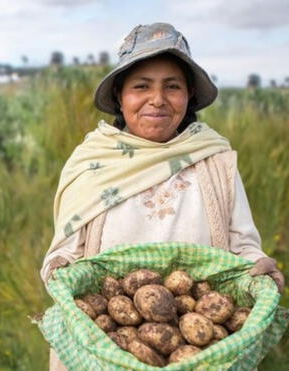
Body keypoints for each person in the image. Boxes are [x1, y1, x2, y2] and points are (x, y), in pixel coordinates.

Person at [39, 22, 285, 371]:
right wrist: (60, 269)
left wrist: (258, 269)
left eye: (172, 86)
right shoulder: (92, 162)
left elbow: (242, 247)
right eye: (142, 86)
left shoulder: (215, 159)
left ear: (188, 97)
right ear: (121, 98)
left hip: (199, 353)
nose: (158, 99)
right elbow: (63, 253)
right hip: (104, 349)